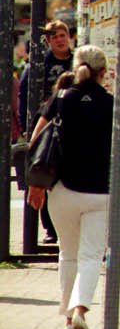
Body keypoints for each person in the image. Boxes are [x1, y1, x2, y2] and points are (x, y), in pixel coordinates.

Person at [26, 45, 114, 329]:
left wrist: (36, 183)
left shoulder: (60, 99)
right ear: (104, 73)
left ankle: (66, 318)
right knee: (91, 256)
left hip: (63, 190)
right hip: (101, 192)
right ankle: (80, 310)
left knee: (68, 253)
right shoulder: (112, 102)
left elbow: (37, 140)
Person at [19, 20, 75, 244]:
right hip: (47, 126)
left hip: (73, 127)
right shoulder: (40, 64)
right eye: (55, 37)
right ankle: (50, 228)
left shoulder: (77, 60)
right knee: (46, 174)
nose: (60, 40)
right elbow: (24, 92)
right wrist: (26, 126)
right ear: (49, 41)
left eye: (63, 35)